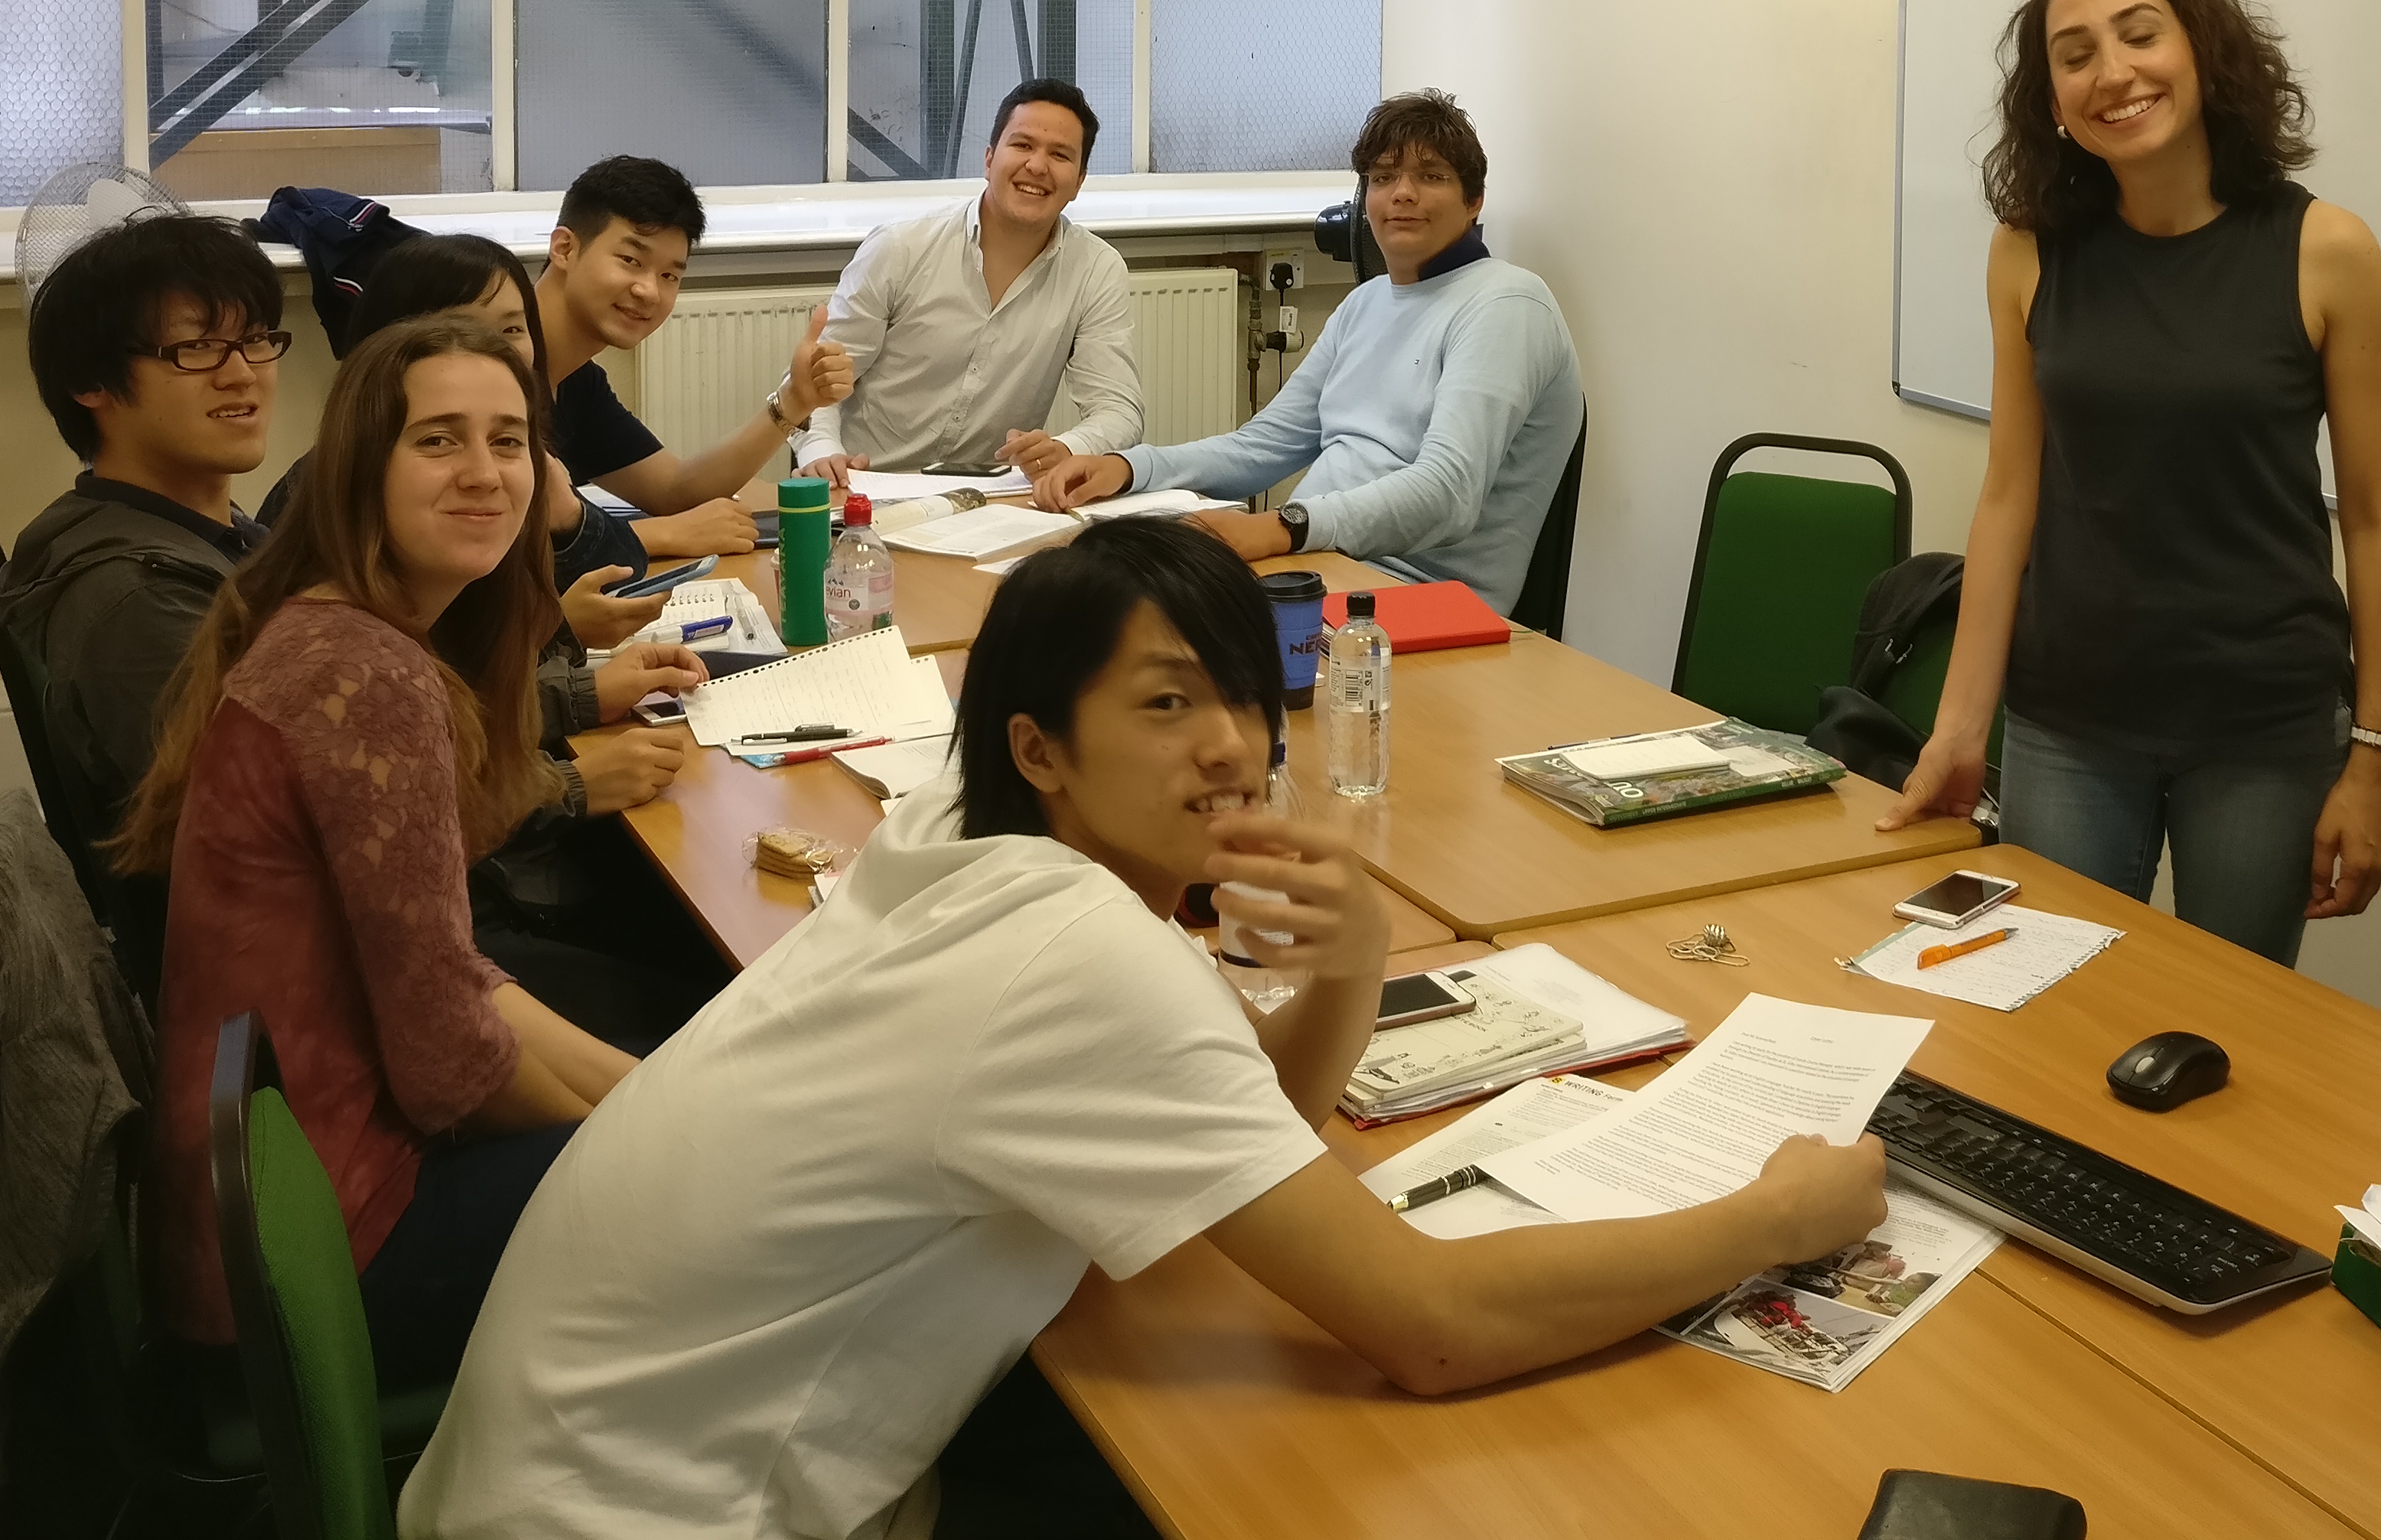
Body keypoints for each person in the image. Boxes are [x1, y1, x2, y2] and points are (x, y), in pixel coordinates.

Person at [398, 519, 1886, 1540]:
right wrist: (1773, 1218)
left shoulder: (952, 830)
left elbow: (1241, 1135)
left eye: (1243, 693)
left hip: (564, 1479)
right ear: (1041, 749)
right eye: (1167, 704)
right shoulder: (1080, 955)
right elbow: (1436, 1329)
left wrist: (1354, 956)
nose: (1232, 744)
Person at [119, 310, 641, 1385]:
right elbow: (448, 1063)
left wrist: (648, 1093)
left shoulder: (332, 624)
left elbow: (453, 977)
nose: (484, 472)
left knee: (685, 1095)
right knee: (746, 1208)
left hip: (282, 1201)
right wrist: (662, 1136)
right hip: (316, 1258)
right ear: (365, 467)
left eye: (508, 440)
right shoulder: (363, 676)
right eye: (438, 439)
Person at [1878, 0, 2381, 971]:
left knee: (2225, 1023)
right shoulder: (2028, 250)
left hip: (2262, 728)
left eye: (2139, 36)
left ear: (2202, 50)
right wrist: (1958, 726)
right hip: (2068, 722)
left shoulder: (2327, 251)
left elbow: (2377, 517)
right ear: (2052, 99)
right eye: (2075, 55)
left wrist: (2373, 760)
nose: (2114, 73)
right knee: (2048, 1009)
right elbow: (2009, 495)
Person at [256, 231, 725, 1044]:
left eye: (512, 330)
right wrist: (569, 782)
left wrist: (578, 685)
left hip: (470, 904)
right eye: (440, 437)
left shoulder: (462, 530)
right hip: (459, 929)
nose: (491, 354)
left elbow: (462, 712)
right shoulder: (351, 646)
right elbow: (421, 970)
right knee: (723, 974)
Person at [1028, 92, 1586, 617]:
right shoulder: (1366, 303)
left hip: (1414, 598)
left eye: (1431, 177)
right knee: (1086, 590)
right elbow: (1264, 447)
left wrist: (1283, 526)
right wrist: (1130, 467)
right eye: (1383, 177)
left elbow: (1447, 492)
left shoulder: (1507, 304)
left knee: (1131, 623)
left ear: (1474, 201)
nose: (1402, 194)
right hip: (1322, 565)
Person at [0, 215, 289, 851]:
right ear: (90, 383)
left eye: (256, 339)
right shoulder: (142, 602)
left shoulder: (192, 528)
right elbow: (267, 828)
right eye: (198, 348)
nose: (243, 374)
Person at [791, 77, 1145, 485]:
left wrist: (1067, 448)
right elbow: (811, 386)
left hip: (987, 495)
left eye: (1060, 155)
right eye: (1023, 145)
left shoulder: (1096, 268)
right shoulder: (901, 247)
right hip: (866, 484)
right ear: (989, 160)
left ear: (1079, 181)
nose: (1037, 166)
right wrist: (823, 454)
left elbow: (1119, 409)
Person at [532, 156, 853, 561]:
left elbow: (674, 490)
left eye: (669, 275)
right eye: (631, 261)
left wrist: (794, 402)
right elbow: (492, 540)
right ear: (564, 249)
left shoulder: (577, 380)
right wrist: (660, 536)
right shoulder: (487, 363)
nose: (649, 291)